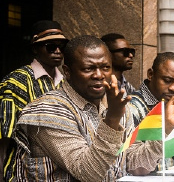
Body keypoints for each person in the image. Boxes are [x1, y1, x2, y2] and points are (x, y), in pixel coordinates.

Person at [13, 35, 132, 181]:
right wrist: (112, 119)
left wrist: (163, 130)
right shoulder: (48, 110)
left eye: (105, 67)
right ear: (67, 72)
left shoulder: (115, 104)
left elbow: (134, 162)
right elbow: (87, 173)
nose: (99, 75)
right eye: (89, 68)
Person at [0, 20, 68, 181]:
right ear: (35, 49)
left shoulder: (65, 82)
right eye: (51, 46)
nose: (58, 51)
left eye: (62, 46)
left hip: (57, 173)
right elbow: (4, 137)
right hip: (22, 173)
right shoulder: (16, 81)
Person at [126, 52, 174, 175]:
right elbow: (133, 166)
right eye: (167, 80)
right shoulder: (131, 108)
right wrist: (166, 127)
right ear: (151, 74)